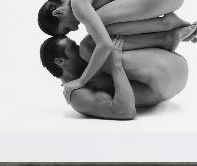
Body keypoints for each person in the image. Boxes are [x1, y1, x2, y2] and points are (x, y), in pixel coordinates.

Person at [36, 0, 187, 90]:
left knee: (97, 28)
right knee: (99, 27)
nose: (75, 28)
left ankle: (165, 26)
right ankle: (165, 31)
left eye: (67, 28)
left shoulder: (78, 1)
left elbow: (105, 45)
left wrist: (81, 81)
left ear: (58, 12)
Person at [39, 33, 188, 121]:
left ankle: (168, 34)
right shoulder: (77, 95)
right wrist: (116, 64)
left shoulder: (90, 65)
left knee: (95, 43)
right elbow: (125, 111)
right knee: (90, 46)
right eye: (73, 47)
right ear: (60, 61)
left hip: (173, 63)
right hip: (164, 83)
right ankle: (168, 34)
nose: (77, 48)